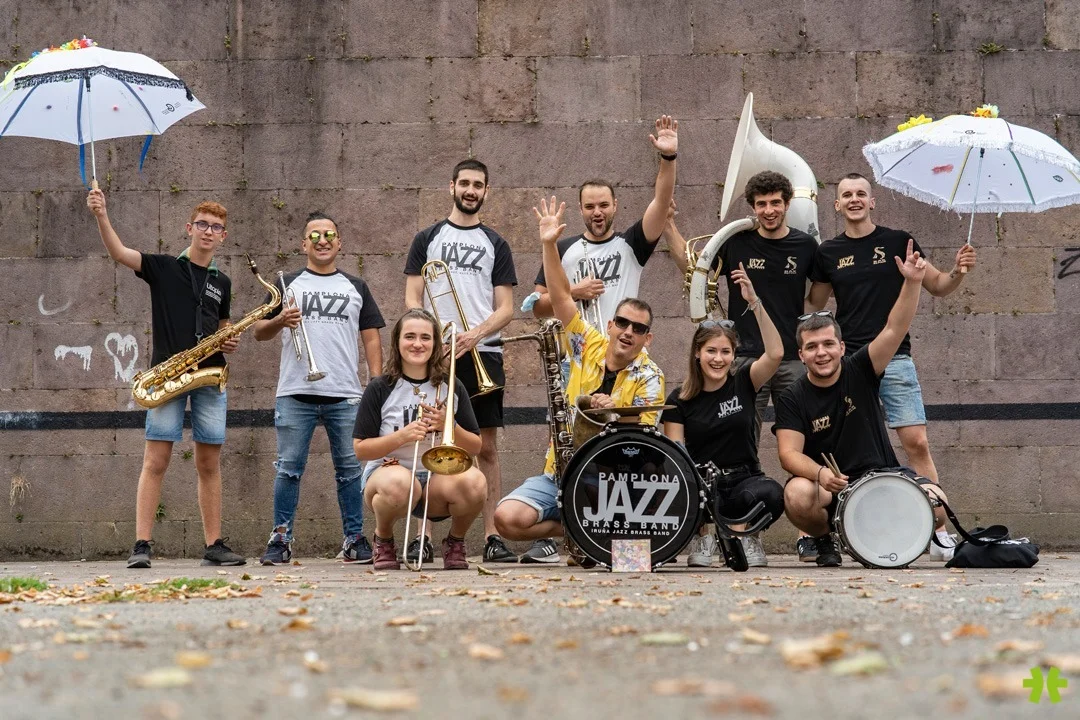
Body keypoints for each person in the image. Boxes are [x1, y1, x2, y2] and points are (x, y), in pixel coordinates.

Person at [494, 197, 665, 565]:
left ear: (647, 338)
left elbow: (645, 437)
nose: (628, 332)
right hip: (562, 470)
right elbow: (557, 297)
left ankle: (597, 533)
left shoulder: (652, 376)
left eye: (638, 329)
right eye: (622, 323)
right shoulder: (587, 342)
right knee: (506, 519)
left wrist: (616, 412)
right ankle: (580, 528)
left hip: (616, 477)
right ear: (610, 325)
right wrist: (548, 244)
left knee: (629, 562)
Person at [666, 170, 820, 564]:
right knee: (740, 444)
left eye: (775, 203)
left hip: (790, 359)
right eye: (761, 204)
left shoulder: (805, 246)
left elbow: (818, 299)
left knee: (803, 444)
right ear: (752, 207)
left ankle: (808, 533)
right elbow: (695, 267)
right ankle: (736, 532)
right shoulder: (735, 241)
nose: (769, 210)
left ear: (787, 204)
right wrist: (667, 225)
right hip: (743, 360)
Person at [87, 189, 244, 568]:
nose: (208, 231)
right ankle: (141, 545)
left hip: (209, 377)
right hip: (167, 376)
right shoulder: (163, 267)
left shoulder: (222, 282)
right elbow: (119, 253)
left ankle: (214, 545)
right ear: (189, 228)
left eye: (216, 227)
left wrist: (229, 337)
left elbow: (222, 325)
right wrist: (102, 215)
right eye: (202, 224)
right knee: (155, 461)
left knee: (209, 464)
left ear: (223, 236)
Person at [775, 240, 951, 567]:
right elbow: (788, 454)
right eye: (812, 347)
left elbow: (895, 328)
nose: (821, 352)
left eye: (828, 344)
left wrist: (913, 282)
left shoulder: (861, 369)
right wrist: (820, 473)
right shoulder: (792, 396)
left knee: (938, 504)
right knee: (797, 494)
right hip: (833, 487)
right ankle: (824, 538)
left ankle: (886, 534)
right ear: (801, 354)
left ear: (842, 347)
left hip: (882, 479)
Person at [806, 173, 977, 492]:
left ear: (872, 202)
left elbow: (939, 285)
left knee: (917, 443)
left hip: (895, 357)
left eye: (860, 194)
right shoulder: (828, 252)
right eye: (847, 195)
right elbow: (812, 304)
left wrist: (958, 270)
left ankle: (937, 518)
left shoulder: (899, 241)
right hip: (850, 363)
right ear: (837, 205)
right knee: (848, 448)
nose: (854, 200)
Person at [253, 212, 385, 566]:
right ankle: (281, 538)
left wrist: (376, 384)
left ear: (339, 243)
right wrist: (280, 320)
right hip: (295, 391)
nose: (322, 241)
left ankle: (354, 538)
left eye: (329, 235)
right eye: (314, 236)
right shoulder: (287, 283)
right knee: (288, 469)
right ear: (303, 244)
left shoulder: (356, 286)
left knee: (350, 470)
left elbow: (371, 337)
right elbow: (259, 332)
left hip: (345, 392)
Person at [404, 159, 518, 564]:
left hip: (483, 352)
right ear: (451, 186)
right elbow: (412, 298)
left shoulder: (496, 243)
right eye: (465, 183)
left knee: (486, 447)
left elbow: (506, 308)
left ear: (486, 191)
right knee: (430, 440)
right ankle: (422, 536)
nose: (471, 190)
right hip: (438, 354)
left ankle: (491, 537)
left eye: (478, 185)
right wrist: (432, 337)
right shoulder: (427, 238)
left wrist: (474, 334)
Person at [662, 263, 785, 568]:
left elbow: (776, 354)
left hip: (743, 480)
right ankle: (704, 535)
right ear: (697, 353)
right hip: (702, 485)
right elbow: (677, 456)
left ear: (733, 354)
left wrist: (754, 303)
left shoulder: (745, 380)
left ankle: (744, 536)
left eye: (725, 352)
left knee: (772, 493)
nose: (718, 359)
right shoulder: (679, 399)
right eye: (711, 351)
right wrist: (698, 497)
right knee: (678, 493)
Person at [353, 309, 487, 570]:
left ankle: (455, 541)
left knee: (475, 482)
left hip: (438, 480)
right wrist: (401, 436)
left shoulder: (451, 385)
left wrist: (450, 425)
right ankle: (383, 539)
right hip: (389, 477)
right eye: (410, 336)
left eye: (425, 337)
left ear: (435, 344)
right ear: (397, 341)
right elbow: (360, 450)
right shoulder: (380, 387)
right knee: (401, 483)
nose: (417, 344)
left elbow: (475, 446)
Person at [528, 115, 680, 328]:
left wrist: (668, 157)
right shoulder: (561, 248)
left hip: (623, 343)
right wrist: (574, 291)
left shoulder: (632, 243)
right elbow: (537, 308)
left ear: (615, 206)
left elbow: (662, 202)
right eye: (590, 207)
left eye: (604, 205)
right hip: (579, 347)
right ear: (580, 209)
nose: (597, 212)